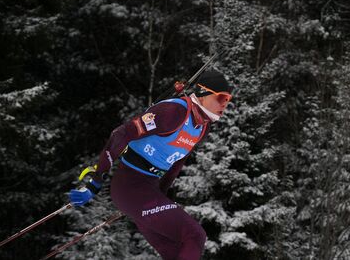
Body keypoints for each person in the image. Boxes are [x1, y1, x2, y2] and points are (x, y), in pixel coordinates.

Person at [69, 69, 233, 260]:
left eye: (228, 100)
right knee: (195, 235)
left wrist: (161, 197)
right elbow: (120, 134)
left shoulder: (202, 127)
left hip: (148, 190)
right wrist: (95, 183)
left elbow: (178, 162)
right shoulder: (174, 111)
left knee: (177, 250)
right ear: (203, 93)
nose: (224, 105)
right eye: (221, 98)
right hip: (129, 186)